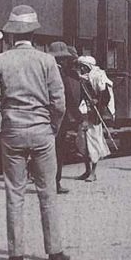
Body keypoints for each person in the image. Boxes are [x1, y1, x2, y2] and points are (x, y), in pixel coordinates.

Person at [0, 4, 69, 260]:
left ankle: (15, 252)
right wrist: (52, 127)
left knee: (14, 192)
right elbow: (59, 103)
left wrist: (0, 128)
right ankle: (54, 251)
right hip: (42, 132)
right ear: (34, 33)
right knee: (47, 191)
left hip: (12, 132)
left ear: (11, 35)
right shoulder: (47, 61)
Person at [76, 56, 114, 181]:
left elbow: (106, 97)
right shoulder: (81, 79)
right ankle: (87, 171)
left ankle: (93, 172)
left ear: (88, 66)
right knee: (83, 144)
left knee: (93, 144)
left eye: (83, 66)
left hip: (94, 116)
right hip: (83, 115)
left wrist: (97, 101)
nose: (81, 68)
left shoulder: (98, 77)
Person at [49, 41, 79, 194]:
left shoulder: (44, 71)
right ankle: (55, 183)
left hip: (42, 117)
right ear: (62, 59)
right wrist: (78, 117)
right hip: (59, 119)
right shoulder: (61, 74)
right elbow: (68, 98)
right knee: (58, 151)